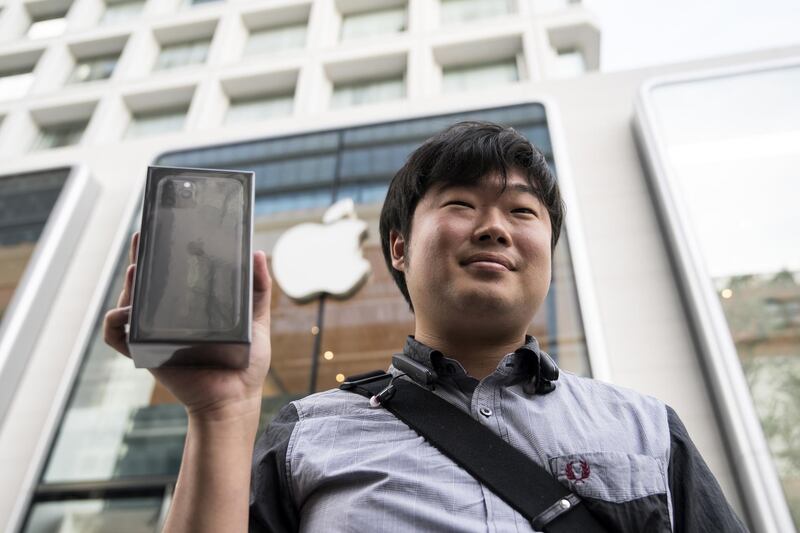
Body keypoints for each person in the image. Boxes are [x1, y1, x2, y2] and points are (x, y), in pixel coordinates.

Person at [104, 121, 747, 532]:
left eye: (523, 212)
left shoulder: (645, 428)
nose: (494, 226)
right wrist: (219, 413)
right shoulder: (307, 433)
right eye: (461, 204)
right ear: (399, 249)